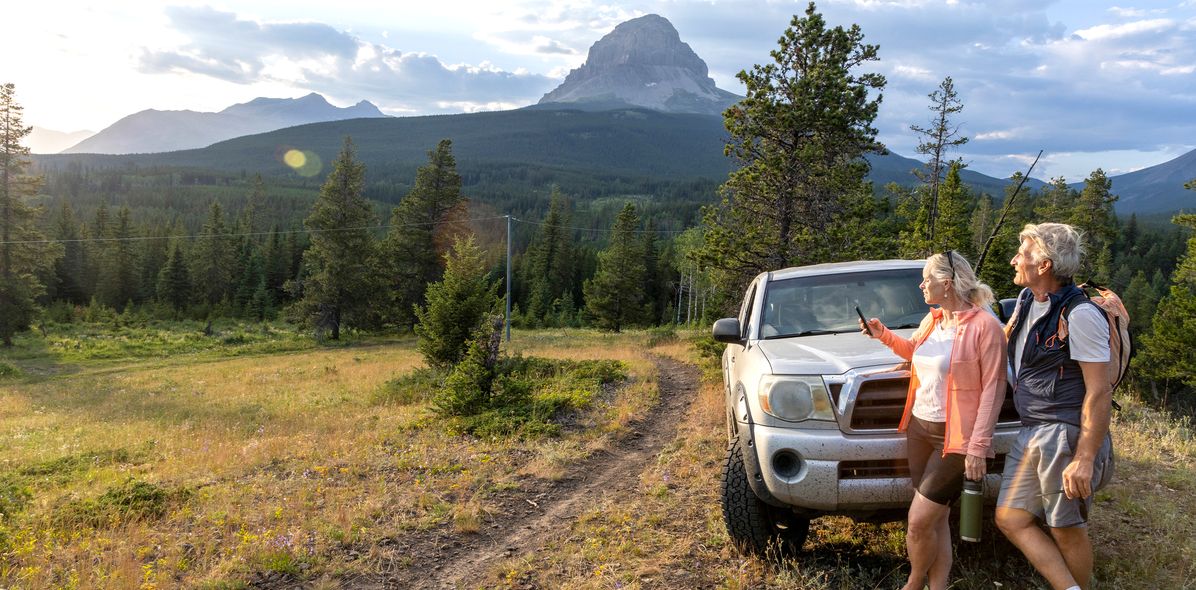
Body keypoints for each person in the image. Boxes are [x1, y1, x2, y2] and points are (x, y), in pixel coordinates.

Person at [860, 251, 1007, 590]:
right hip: (919, 429)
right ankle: (937, 587)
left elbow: (994, 390)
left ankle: (913, 583)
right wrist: (881, 334)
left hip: (956, 439)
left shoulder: (986, 327)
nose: (921, 284)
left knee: (917, 522)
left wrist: (978, 448)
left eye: (927, 278)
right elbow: (914, 352)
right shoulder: (933, 320)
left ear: (947, 283)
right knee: (937, 519)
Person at [995, 223, 1114, 590]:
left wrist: (1084, 457)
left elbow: (1099, 391)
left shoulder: (1080, 316)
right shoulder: (1029, 301)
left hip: (1063, 433)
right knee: (1010, 516)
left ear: (1044, 264)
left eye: (1023, 253)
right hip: (1032, 427)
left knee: (1065, 528)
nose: (1015, 260)